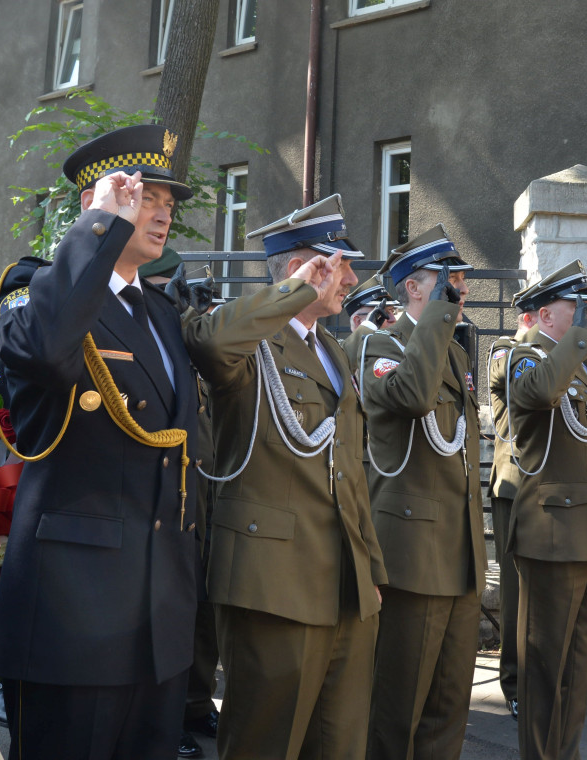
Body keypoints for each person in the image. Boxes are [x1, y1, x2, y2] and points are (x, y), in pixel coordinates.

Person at [0, 124, 201, 760]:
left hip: (157, 614)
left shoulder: (160, 312)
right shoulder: (33, 296)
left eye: (168, 202)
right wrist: (98, 229)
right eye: (144, 197)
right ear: (96, 203)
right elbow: (52, 354)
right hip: (73, 616)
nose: (160, 213)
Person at [184, 195, 387, 760]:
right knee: (265, 744)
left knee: (339, 744)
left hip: (343, 583)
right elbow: (209, 342)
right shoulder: (250, 342)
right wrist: (295, 290)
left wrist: (368, 568)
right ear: (306, 266)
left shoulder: (331, 350)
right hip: (274, 586)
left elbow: (348, 469)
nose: (350, 278)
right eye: (339, 264)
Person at [359, 224, 487, 760]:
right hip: (412, 554)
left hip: (458, 552)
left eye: (460, 280)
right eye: (448, 280)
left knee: (449, 703)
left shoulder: (453, 354)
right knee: (398, 705)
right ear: (415, 287)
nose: (459, 290)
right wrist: (438, 317)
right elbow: (411, 395)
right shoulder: (378, 344)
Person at [503, 260, 587, 760]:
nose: (586, 314)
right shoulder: (524, 357)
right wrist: (578, 339)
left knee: (576, 672)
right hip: (553, 538)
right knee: (546, 672)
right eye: (574, 305)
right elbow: (540, 394)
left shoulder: (579, 362)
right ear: (545, 313)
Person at [138, 248, 221, 760]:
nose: (182, 300)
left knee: (203, 604)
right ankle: (166, 717)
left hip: (208, 491)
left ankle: (194, 700)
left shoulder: (187, 347)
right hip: (167, 496)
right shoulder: (148, 344)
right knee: (169, 612)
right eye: (172, 289)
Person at [486, 306, 537, 721]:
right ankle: (515, 683)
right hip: (514, 488)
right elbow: (522, 389)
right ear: (529, 318)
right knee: (517, 592)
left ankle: (542, 679)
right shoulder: (505, 351)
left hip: (549, 493)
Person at [340, 274, 398, 370]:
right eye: (382, 314)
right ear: (358, 321)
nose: (393, 319)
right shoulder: (337, 353)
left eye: (392, 311)